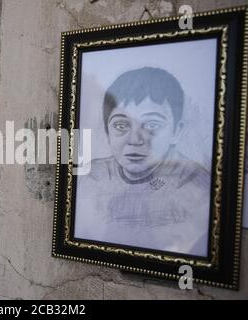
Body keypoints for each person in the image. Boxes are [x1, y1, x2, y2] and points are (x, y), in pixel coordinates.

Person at [75, 67, 211, 257]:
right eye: (121, 126)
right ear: (107, 132)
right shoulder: (92, 177)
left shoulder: (195, 185)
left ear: (176, 132)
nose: (135, 139)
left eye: (152, 125)